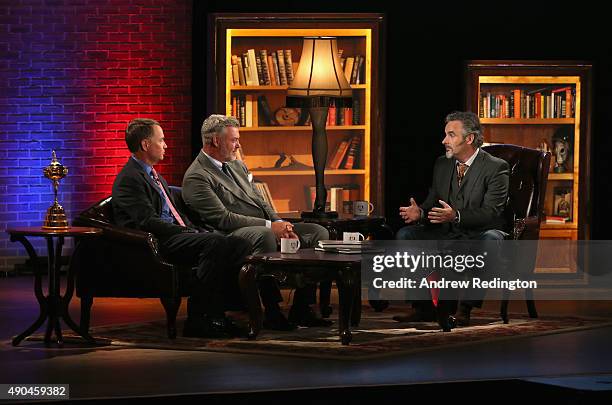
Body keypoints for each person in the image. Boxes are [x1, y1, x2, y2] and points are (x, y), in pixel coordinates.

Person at [182, 114, 331, 329]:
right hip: (229, 235)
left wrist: (281, 223)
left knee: (317, 232)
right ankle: (272, 310)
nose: (238, 145)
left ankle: (302, 308)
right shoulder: (197, 176)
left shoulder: (236, 166)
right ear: (215, 141)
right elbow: (223, 219)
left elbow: (260, 201)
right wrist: (271, 227)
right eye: (234, 140)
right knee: (265, 235)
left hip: (263, 226)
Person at [112, 118, 252, 339]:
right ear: (146, 145)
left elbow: (175, 213)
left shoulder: (153, 175)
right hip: (156, 242)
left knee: (239, 243)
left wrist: (194, 228)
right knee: (215, 243)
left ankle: (221, 314)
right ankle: (199, 319)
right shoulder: (130, 179)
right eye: (162, 140)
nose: (166, 145)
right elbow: (147, 221)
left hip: (175, 234)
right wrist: (187, 232)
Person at [395, 111, 509, 328]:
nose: (444, 141)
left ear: (469, 139)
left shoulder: (496, 167)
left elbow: (491, 212)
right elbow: (432, 204)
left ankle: (464, 308)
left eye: (451, 135)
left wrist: (457, 215)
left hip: (480, 231)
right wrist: (420, 212)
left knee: (489, 240)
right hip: (447, 230)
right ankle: (423, 307)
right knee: (407, 234)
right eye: (445, 135)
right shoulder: (442, 164)